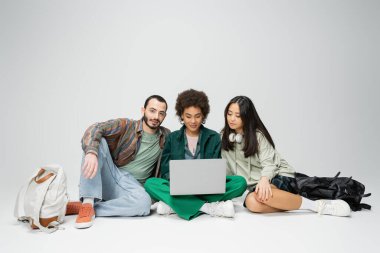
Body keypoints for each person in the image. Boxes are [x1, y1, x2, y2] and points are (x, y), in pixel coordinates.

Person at [221, 96, 351, 217]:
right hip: (257, 186)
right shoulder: (223, 137)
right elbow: (225, 168)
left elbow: (269, 164)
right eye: (229, 113)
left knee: (258, 196)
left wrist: (265, 179)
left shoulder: (257, 136)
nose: (232, 119)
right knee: (251, 203)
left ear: (247, 117)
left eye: (237, 115)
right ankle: (296, 204)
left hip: (276, 175)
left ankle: (319, 206)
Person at [67, 95, 170, 229]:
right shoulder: (127, 126)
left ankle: (91, 208)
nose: (156, 116)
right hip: (113, 175)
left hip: (133, 188)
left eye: (161, 113)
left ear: (164, 116)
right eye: (152, 110)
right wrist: (91, 152)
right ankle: (87, 202)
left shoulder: (166, 136)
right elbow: (95, 128)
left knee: (144, 204)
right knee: (99, 142)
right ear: (143, 110)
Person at [144, 89, 247, 220]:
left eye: (197, 116)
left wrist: (206, 183)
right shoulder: (172, 138)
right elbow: (165, 171)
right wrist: (178, 183)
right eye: (188, 116)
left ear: (203, 116)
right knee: (150, 184)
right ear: (181, 115)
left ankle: (175, 205)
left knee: (240, 182)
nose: (193, 121)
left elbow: (215, 170)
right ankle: (208, 208)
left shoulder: (214, 137)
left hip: (207, 189)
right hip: (179, 189)